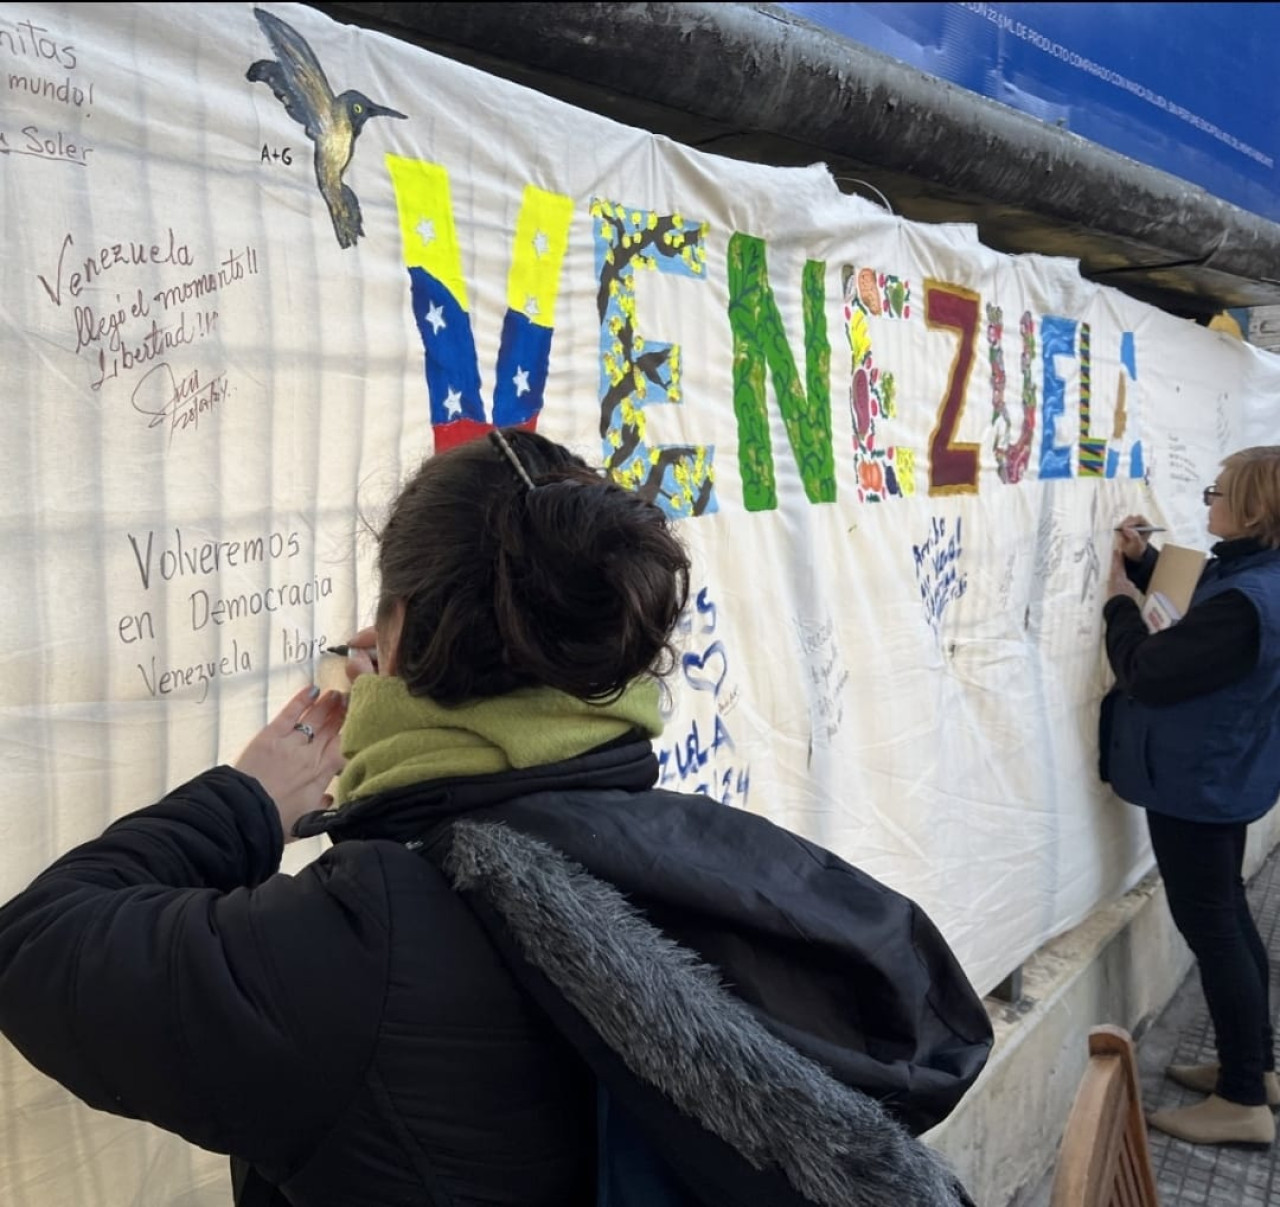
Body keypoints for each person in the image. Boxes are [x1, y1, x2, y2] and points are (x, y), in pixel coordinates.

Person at [0, 428, 992, 1206]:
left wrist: (249, 799)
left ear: (390, 638)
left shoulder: (359, 940)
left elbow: (37, 946)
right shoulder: (717, 857)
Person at [1102, 445, 1280, 1149]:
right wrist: (1148, 560)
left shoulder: (1247, 600)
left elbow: (1149, 668)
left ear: (1253, 507)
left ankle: (1242, 1099)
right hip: (1221, 775)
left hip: (1198, 783)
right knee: (1228, 915)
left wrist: (1120, 598)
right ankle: (1254, 1067)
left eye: (1216, 490)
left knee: (1213, 926)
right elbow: (1203, 593)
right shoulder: (1253, 575)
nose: (1205, 501)